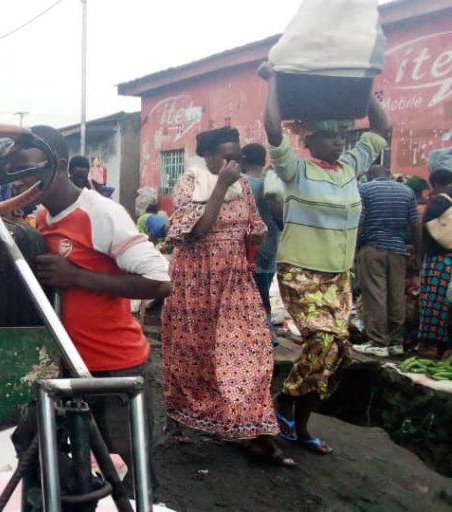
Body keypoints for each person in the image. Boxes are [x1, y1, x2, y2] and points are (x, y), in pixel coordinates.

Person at [9, 125, 172, 501]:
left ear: (60, 165)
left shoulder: (100, 213)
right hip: (67, 368)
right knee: (33, 446)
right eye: (16, 175)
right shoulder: (45, 216)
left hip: (115, 370)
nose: (22, 183)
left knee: (130, 478)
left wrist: (77, 277)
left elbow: (160, 282)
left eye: (31, 172)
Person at [261, 63, 390, 455]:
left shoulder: (350, 168)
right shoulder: (295, 169)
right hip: (300, 271)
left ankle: (299, 423)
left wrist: (364, 88)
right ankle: (284, 401)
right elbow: (271, 129)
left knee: (339, 352)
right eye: (331, 137)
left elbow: (381, 129)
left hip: (338, 276)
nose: (340, 143)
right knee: (323, 339)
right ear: (312, 140)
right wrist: (273, 82)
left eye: (342, 136)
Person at [161, 127, 293, 466]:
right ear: (207, 155)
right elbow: (198, 229)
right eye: (227, 156)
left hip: (235, 281)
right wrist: (220, 186)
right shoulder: (191, 182)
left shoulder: (244, 186)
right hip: (196, 284)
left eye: (238, 157)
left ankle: (259, 434)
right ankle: (189, 416)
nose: (234, 163)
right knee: (196, 355)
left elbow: (253, 225)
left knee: (252, 352)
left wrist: (257, 235)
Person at [353, 165, 420, 357]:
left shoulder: (365, 189)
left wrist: (354, 249)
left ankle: (378, 341)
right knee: (396, 295)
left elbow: (360, 221)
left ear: (370, 176)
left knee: (375, 295)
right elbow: (414, 223)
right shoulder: (407, 191)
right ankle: (396, 342)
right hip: (399, 250)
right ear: (389, 175)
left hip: (373, 247)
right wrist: (417, 252)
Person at [242, 142, 285, 346]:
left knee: (250, 292)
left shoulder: (242, 184)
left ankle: (261, 334)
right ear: (263, 159)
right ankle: (267, 332)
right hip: (272, 243)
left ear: (244, 159)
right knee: (264, 290)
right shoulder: (273, 182)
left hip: (249, 245)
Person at [416, 148, 452, 360]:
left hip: (440, 259)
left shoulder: (440, 199)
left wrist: (419, 255)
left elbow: (425, 226)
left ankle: (430, 345)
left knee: (434, 301)